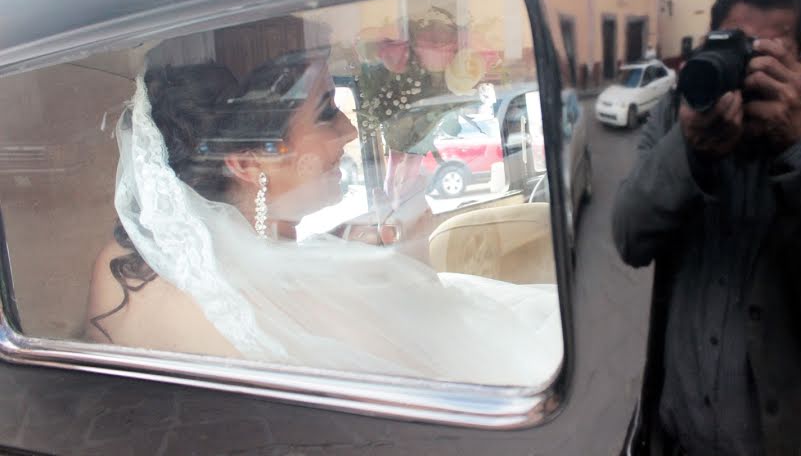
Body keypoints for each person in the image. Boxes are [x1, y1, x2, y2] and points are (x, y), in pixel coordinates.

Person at [85, 50, 561, 386]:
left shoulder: (124, 263)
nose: (349, 130)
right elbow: (442, 375)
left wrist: (329, 254)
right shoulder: (313, 304)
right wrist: (410, 262)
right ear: (248, 163)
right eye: (326, 112)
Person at [612, 0, 801, 455]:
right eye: (735, 46)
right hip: (674, 440)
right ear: (711, 41)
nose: (746, 66)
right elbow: (628, 237)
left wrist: (797, 156)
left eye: (769, 53)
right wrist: (690, 151)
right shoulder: (675, 117)